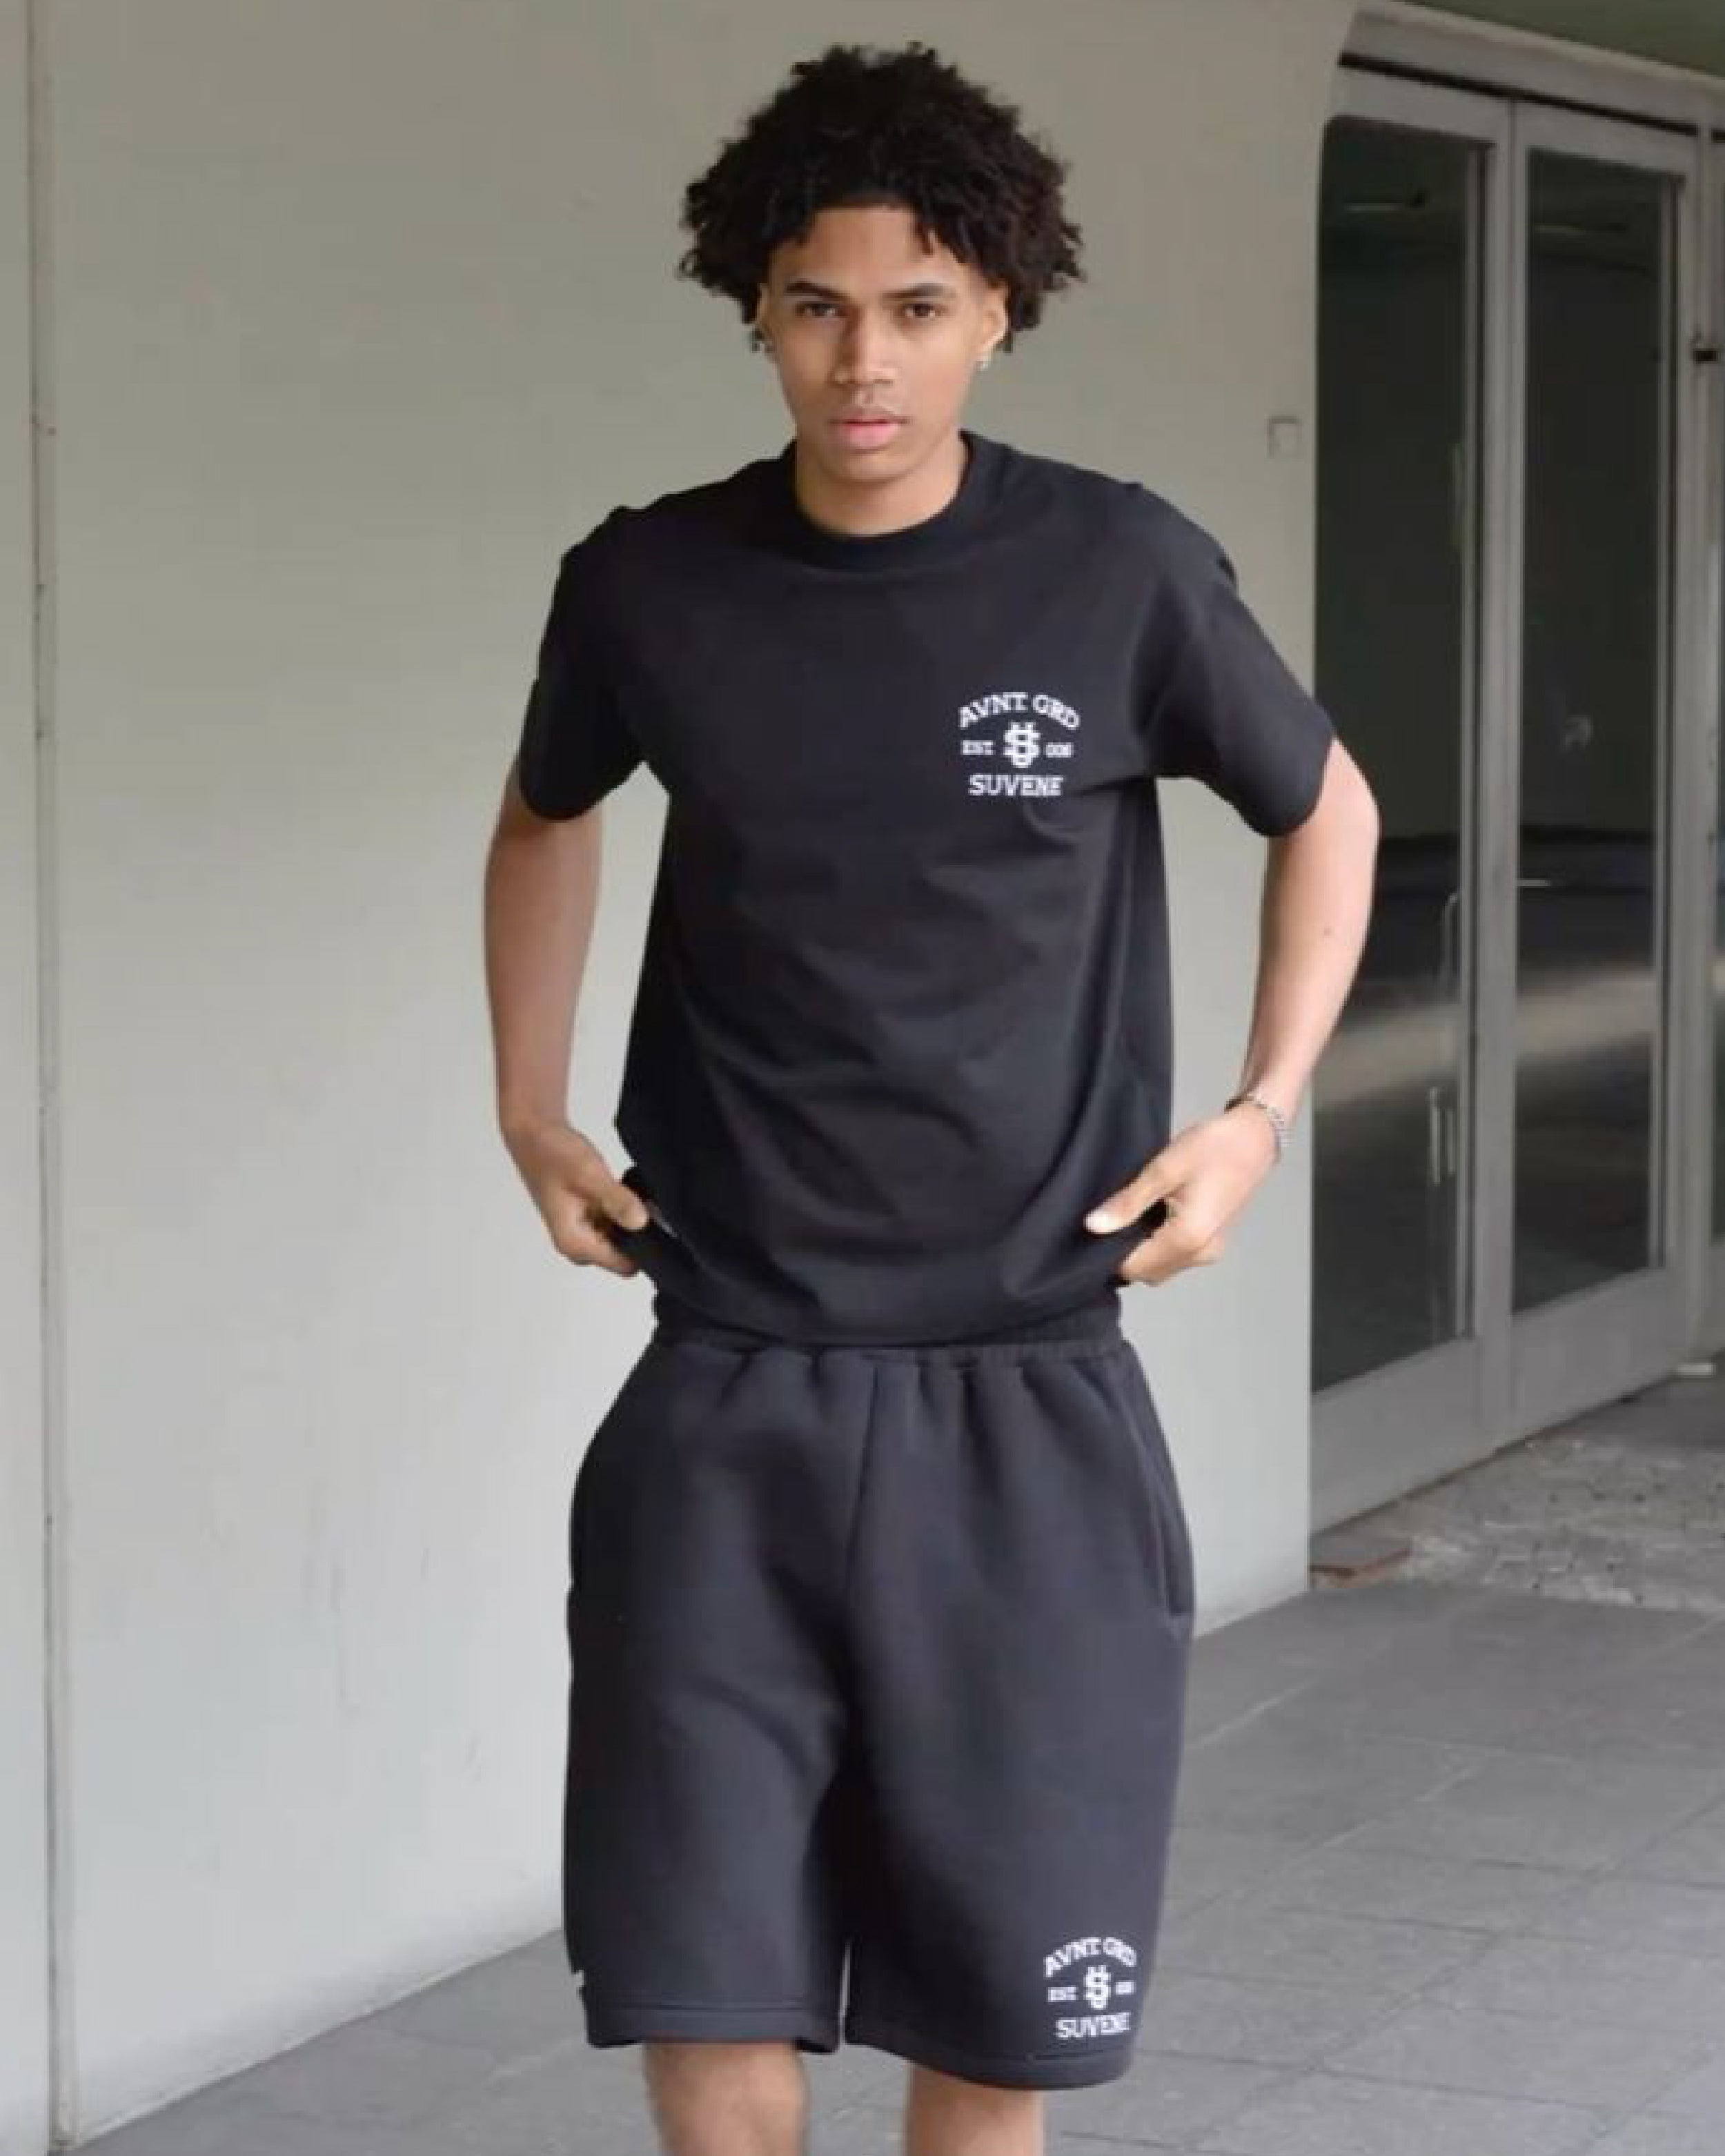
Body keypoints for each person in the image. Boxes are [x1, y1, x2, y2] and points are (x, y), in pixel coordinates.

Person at [482, 38, 1379, 2156]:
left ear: (996, 310)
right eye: (815, 305)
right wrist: (528, 1106)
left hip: (1026, 1387)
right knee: (710, 1988)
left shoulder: (1117, 571)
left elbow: (1323, 810)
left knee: (992, 2035)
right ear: (756, 307)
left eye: (915, 306)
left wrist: (1254, 1113)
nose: (861, 360)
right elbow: (543, 817)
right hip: (730, 1379)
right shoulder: (648, 584)